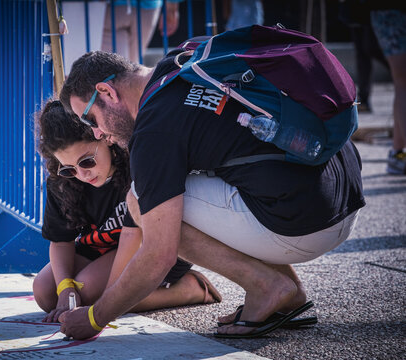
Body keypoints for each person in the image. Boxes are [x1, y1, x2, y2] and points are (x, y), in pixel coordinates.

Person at [57, 47, 365, 339]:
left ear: (107, 92)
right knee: (212, 168)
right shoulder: (183, 63)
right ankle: (290, 293)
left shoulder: (154, 129)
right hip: (344, 196)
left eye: (90, 119)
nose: (97, 134)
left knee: (139, 200)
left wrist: (95, 317)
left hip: (310, 223)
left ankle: (265, 285)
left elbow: (158, 256)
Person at [32, 100, 221, 323]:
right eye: (69, 168)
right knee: (46, 294)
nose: (82, 175)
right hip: (104, 248)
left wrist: (107, 302)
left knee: (89, 294)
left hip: (148, 244)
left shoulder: (136, 162)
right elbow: (60, 240)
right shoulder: (62, 181)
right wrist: (65, 287)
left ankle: (189, 289)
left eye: (87, 161)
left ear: (104, 137)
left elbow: (135, 236)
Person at [370, 6, 406, 174]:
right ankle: (398, 155)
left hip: (388, 11)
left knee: (402, 84)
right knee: (403, 82)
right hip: (391, 10)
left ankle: (398, 154)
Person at [102, 0, 181, 63]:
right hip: (146, 7)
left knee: (123, 66)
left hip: (145, 7)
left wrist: (172, 6)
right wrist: (172, 6)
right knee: (124, 66)